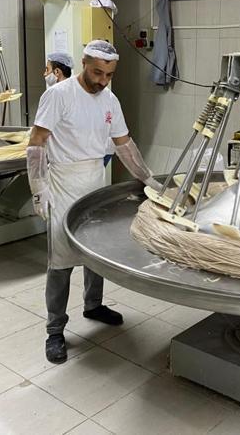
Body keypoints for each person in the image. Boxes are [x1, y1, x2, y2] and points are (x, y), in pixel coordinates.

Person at [27, 39, 161, 364]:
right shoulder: (59, 95)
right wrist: (38, 187)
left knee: (95, 252)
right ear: (84, 63)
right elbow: (37, 142)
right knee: (61, 261)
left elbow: (123, 144)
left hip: (95, 180)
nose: (103, 80)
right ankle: (55, 330)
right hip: (63, 182)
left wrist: (148, 178)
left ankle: (93, 305)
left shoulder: (110, 101)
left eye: (109, 75)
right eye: (98, 72)